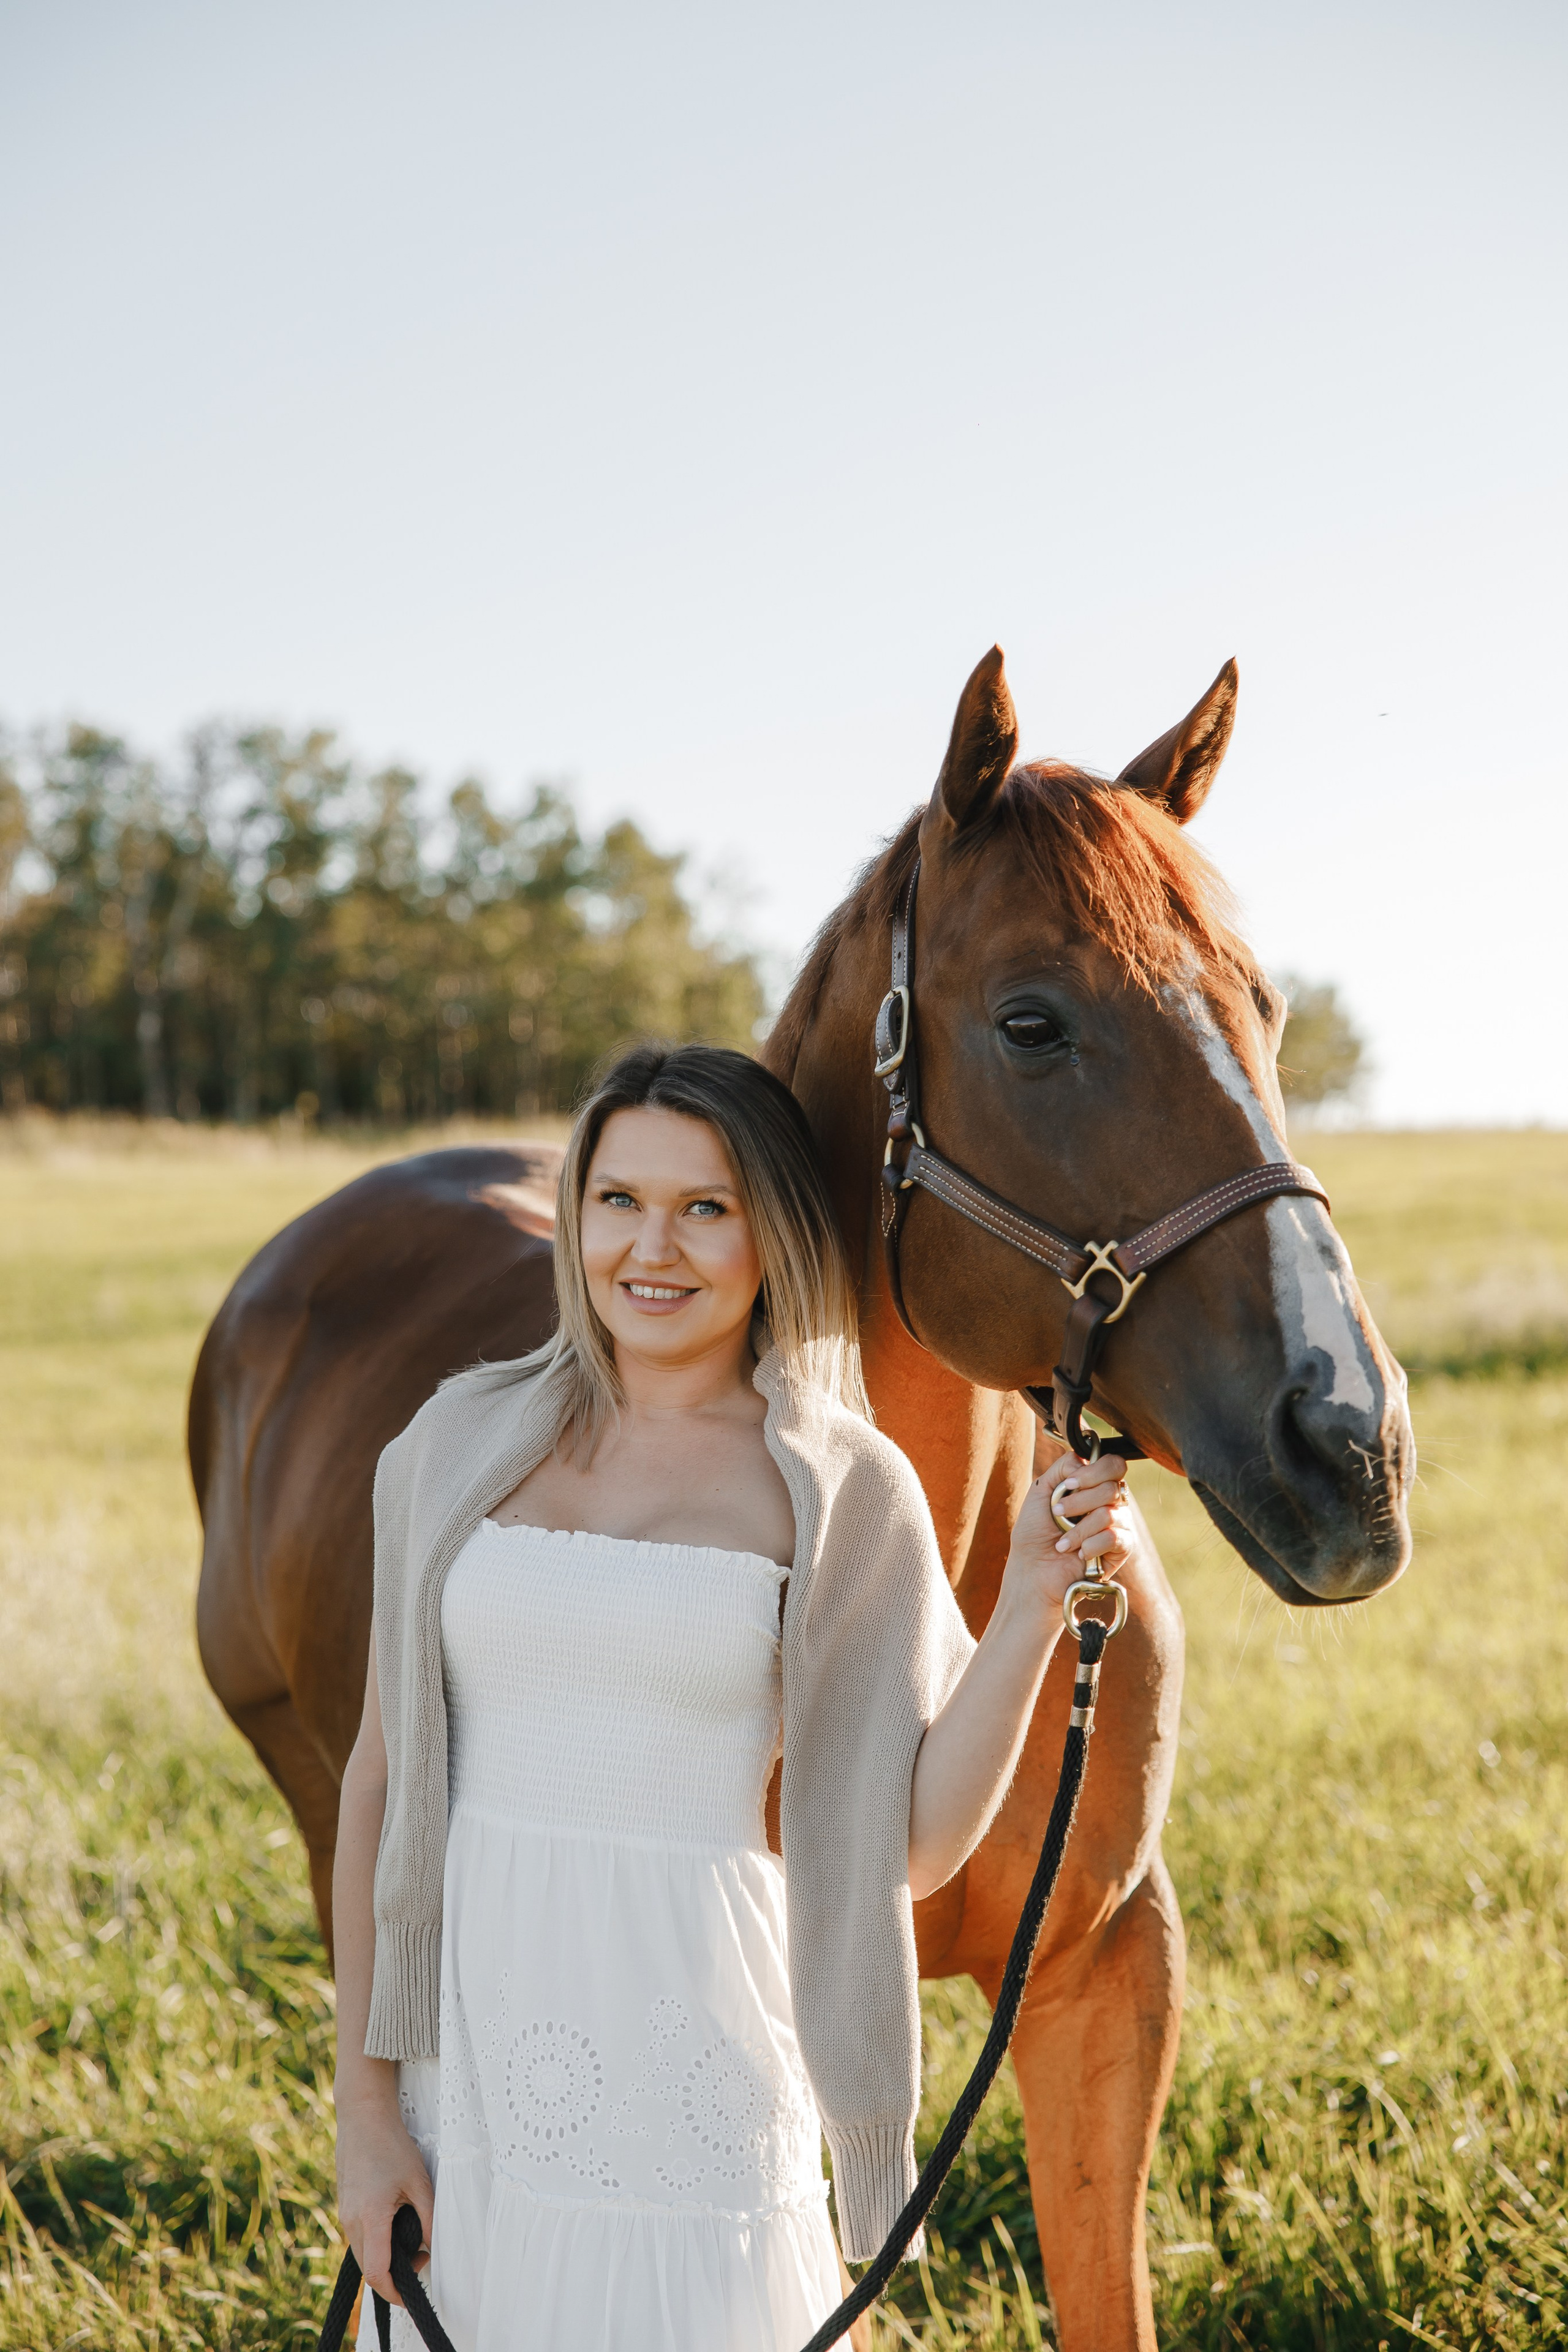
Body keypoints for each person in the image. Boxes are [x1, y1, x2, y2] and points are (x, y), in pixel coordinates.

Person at [332, 1042, 1136, 2351]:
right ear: (576, 1215)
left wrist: (1034, 1604)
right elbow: (376, 1780)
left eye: (705, 1207)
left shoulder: (840, 1486)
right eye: (618, 1200)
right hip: (465, 2088)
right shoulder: (452, 1442)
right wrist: (367, 2115)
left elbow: (909, 1847)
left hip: (698, 2086)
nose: (652, 1248)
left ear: (773, 1235)